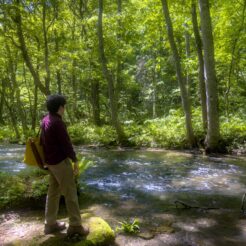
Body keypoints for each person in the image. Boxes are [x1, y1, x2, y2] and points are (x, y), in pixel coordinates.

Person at [41, 94, 88, 237]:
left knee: (53, 193)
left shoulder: (45, 119)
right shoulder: (57, 123)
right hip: (60, 163)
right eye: (64, 105)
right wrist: (75, 161)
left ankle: (50, 224)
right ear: (60, 107)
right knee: (70, 193)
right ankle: (75, 226)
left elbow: (43, 142)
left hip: (51, 163)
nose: (65, 108)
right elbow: (66, 145)